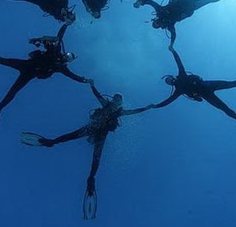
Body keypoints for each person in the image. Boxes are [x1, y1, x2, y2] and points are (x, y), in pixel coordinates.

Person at [20, 82, 152, 219]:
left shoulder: (119, 112)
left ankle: (91, 178)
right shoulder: (106, 104)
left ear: (120, 103)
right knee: (71, 136)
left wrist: (147, 107)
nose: (116, 101)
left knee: (96, 157)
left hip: (100, 133)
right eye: (115, 98)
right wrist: (92, 85)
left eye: (118, 100)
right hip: (92, 128)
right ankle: (50, 142)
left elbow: (134, 111)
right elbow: (97, 95)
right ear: (113, 99)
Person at [0, 23, 90, 135]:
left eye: (70, 58)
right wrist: (66, 24)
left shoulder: (61, 68)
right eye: (69, 55)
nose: (67, 57)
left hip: (29, 74)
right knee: (3, 60)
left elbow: (73, 76)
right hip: (27, 65)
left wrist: (84, 80)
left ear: (69, 61)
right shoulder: (56, 51)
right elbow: (59, 36)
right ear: (66, 52)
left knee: (13, 92)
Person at [149, 45, 236, 137]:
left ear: (171, 76)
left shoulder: (182, 75)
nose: (171, 81)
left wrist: (173, 50)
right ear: (171, 84)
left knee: (232, 83)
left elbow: (179, 62)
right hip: (206, 94)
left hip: (208, 85)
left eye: (169, 79)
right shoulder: (178, 90)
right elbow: (168, 101)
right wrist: (155, 106)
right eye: (169, 82)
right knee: (226, 110)